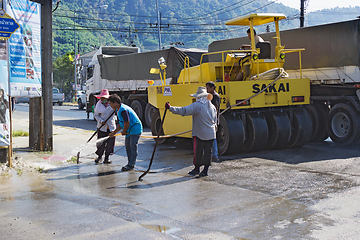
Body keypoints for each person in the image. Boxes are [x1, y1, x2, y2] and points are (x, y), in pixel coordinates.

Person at [165, 86, 217, 177]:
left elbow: (183, 110)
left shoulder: (197, 106)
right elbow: (215, 120)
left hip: (201, 133)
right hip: (211, 133)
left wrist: (170, 108)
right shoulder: (212, 106)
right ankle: (205, 170)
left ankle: (197, 169)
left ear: (199, 97)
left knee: (198, 152)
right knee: (208, 152)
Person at [108, 94, 143, 171]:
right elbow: (121, 123)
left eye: (110, 103)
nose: (110, 105)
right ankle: (129, 163)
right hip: (128, 130)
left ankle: (131, 165)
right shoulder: (118, 109)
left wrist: (124, 131)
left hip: (135, 129)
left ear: (115, 102)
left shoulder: (123, 110)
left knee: (132, 146)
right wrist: (114, 132)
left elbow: (127, 122)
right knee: (128, 147)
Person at [94, 89, 116, 164]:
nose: (103, 99)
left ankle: (107, 158)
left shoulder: (112, 104)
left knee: (110, 144)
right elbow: (96, 115)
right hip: (101, 128)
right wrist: (101, 121)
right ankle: (99, 157)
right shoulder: (98, 105)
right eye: (102, 98)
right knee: (100, 144)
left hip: (111, 128)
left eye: (105, 98)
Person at [206, 81, 220, 162]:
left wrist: (213, 120)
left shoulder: (215, 96)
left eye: (208, 88)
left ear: (212, 88)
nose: (207, 90)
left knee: (213, 138)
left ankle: (215, 155)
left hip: (212, 120)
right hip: (212, 119)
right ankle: (213, 154)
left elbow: (215, 108)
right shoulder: (211, 95)